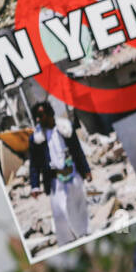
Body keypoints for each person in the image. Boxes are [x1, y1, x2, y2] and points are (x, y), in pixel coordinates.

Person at [28, 101, 92, 246]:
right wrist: (35, 185)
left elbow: (77, 150)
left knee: (79, 204)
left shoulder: (65, 128)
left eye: (41, 115)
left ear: (50, 114)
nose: (38, 119)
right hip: (55, 178)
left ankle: (85, 234)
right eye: (36, 117)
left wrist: (86, 170)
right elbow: (34, 164)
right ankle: (69, 241)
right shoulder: (36, 139)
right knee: (60, 211)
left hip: (73, 172)